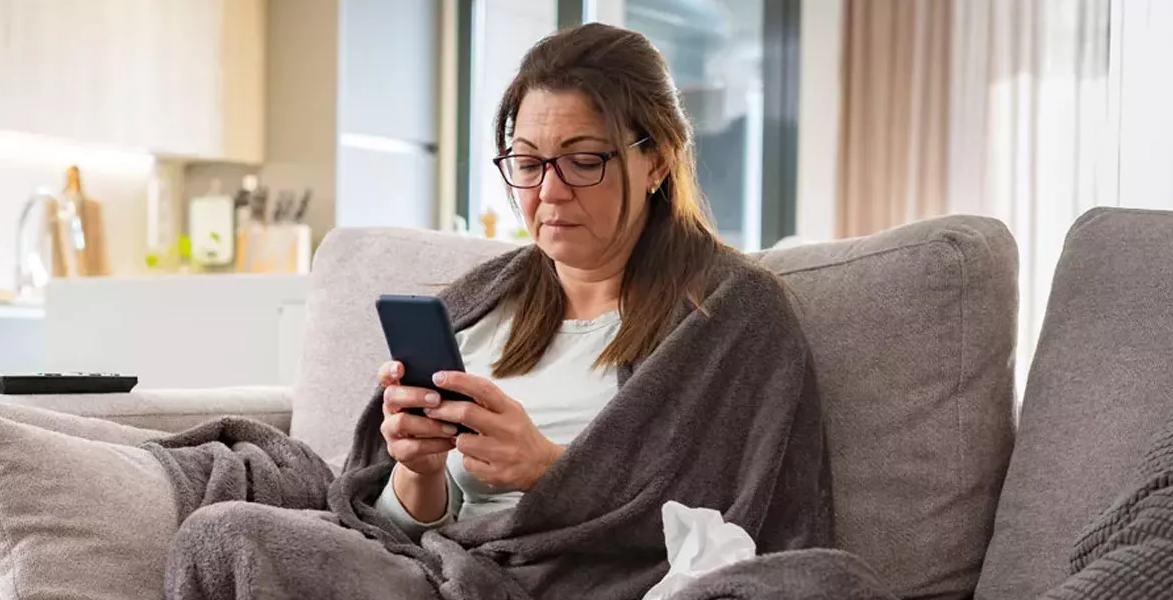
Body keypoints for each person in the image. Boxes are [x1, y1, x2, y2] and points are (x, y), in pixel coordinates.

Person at [167, 23, 831, 600]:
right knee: (225, 535)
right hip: (437, 572)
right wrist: (417, 471)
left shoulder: (729, 313)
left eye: (583, 162)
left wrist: (549, 468)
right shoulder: (481, 306)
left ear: (657, 159)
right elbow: (399, 528)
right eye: (528, 163)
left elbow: (733, 520)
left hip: (580, 585)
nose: (549, 191)